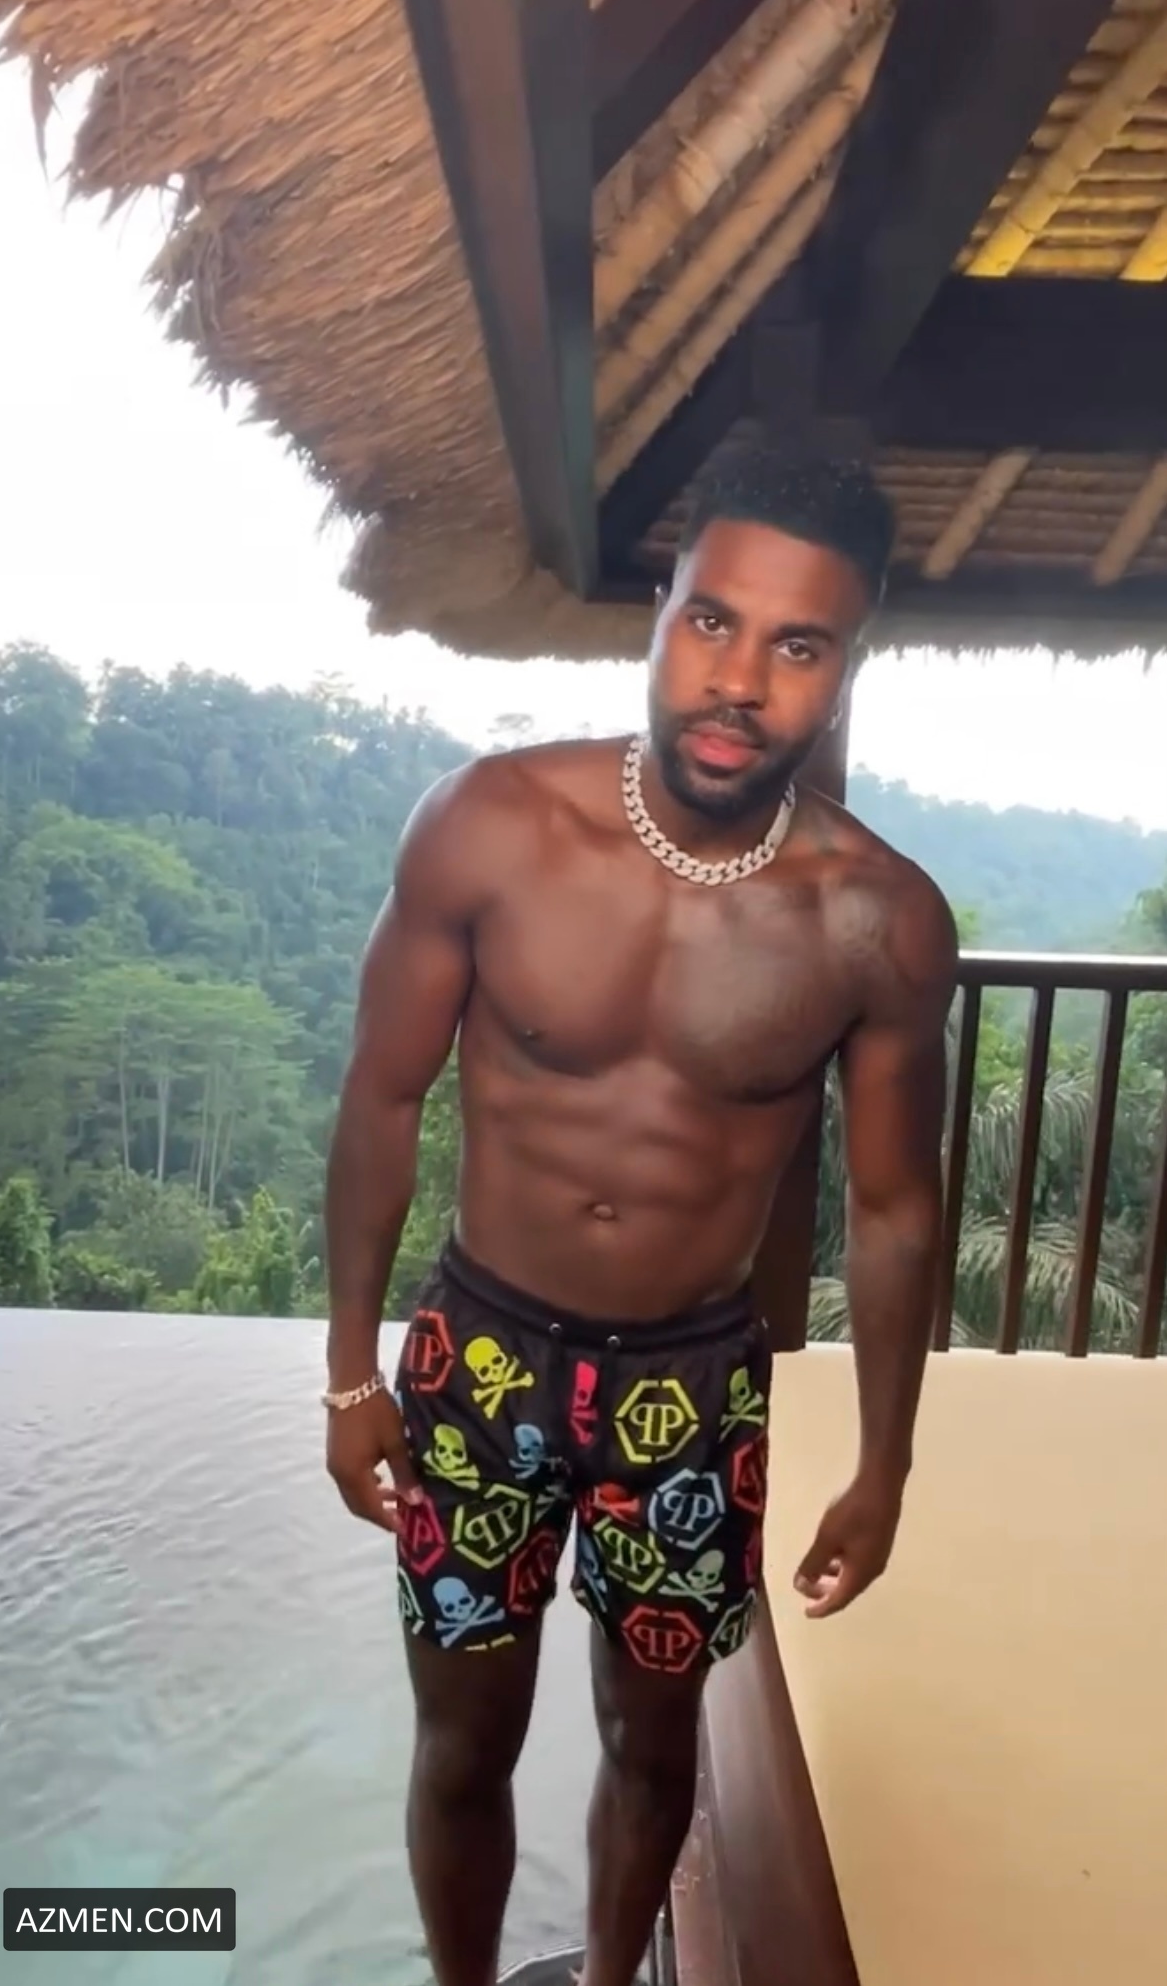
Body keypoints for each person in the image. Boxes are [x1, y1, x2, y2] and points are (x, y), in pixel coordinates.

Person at [323, 445, 958, 1986]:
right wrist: (349, 1375)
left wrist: (886, 1464)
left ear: (847, 665)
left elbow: (892, 1209)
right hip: (477, 1364)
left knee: (656, 1740)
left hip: (691, 1390)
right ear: (663, 611)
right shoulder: (490, 826)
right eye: (714, 623)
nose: (741, 680)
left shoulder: (878, 922)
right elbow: (384, 1101)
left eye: (799, 646)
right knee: (462, 1739)